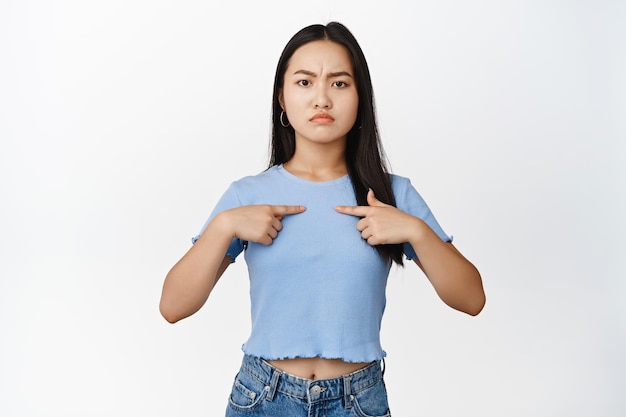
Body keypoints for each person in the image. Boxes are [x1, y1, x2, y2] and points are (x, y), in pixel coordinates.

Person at [159, 21, 485, 417]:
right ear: (281, 96)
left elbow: (471, 299)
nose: (321, 99)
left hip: (358, 402)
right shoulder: (246, 196)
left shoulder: (391, 195)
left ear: (360, 96)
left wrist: (415, 231)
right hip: (262, 398)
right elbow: (173, 306)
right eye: (304, 82)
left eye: (339, 83)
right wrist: (223, 226)